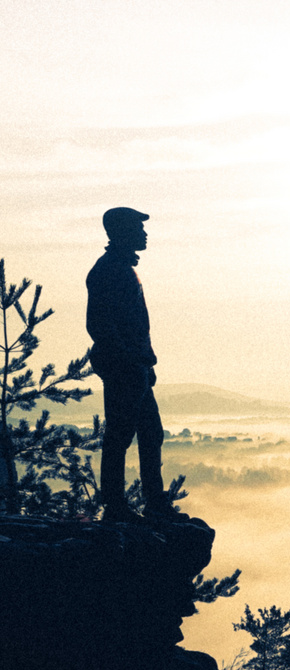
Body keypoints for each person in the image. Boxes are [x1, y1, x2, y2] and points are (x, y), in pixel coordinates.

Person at [86, 206, 180, 521]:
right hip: (124, 368)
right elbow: (100, 325)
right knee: (121, 435)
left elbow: (135, 325)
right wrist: (129, 360)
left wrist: (146, 363)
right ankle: (116, 506)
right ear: (123, 232)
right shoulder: (109, 270)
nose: (145, 233)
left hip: (136, 367)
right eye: (138, 228)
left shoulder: (122, 269)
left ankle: (155, 504)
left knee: (150, 433)